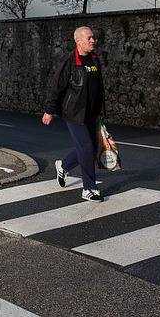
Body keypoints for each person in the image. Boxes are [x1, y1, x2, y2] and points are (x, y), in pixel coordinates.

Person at [41, 26, 104, 202]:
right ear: (78, 41)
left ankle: (64, 165)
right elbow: (56, 86)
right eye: (89, 38)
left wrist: (100, 111)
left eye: (93, 37)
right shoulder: (69, 60)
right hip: (74, 113)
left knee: (88, 148)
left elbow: (99, 88)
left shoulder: (94, 59)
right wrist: (49, 110)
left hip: (91, 112)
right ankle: (89, 188)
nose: (93, 41)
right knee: (87, 149)